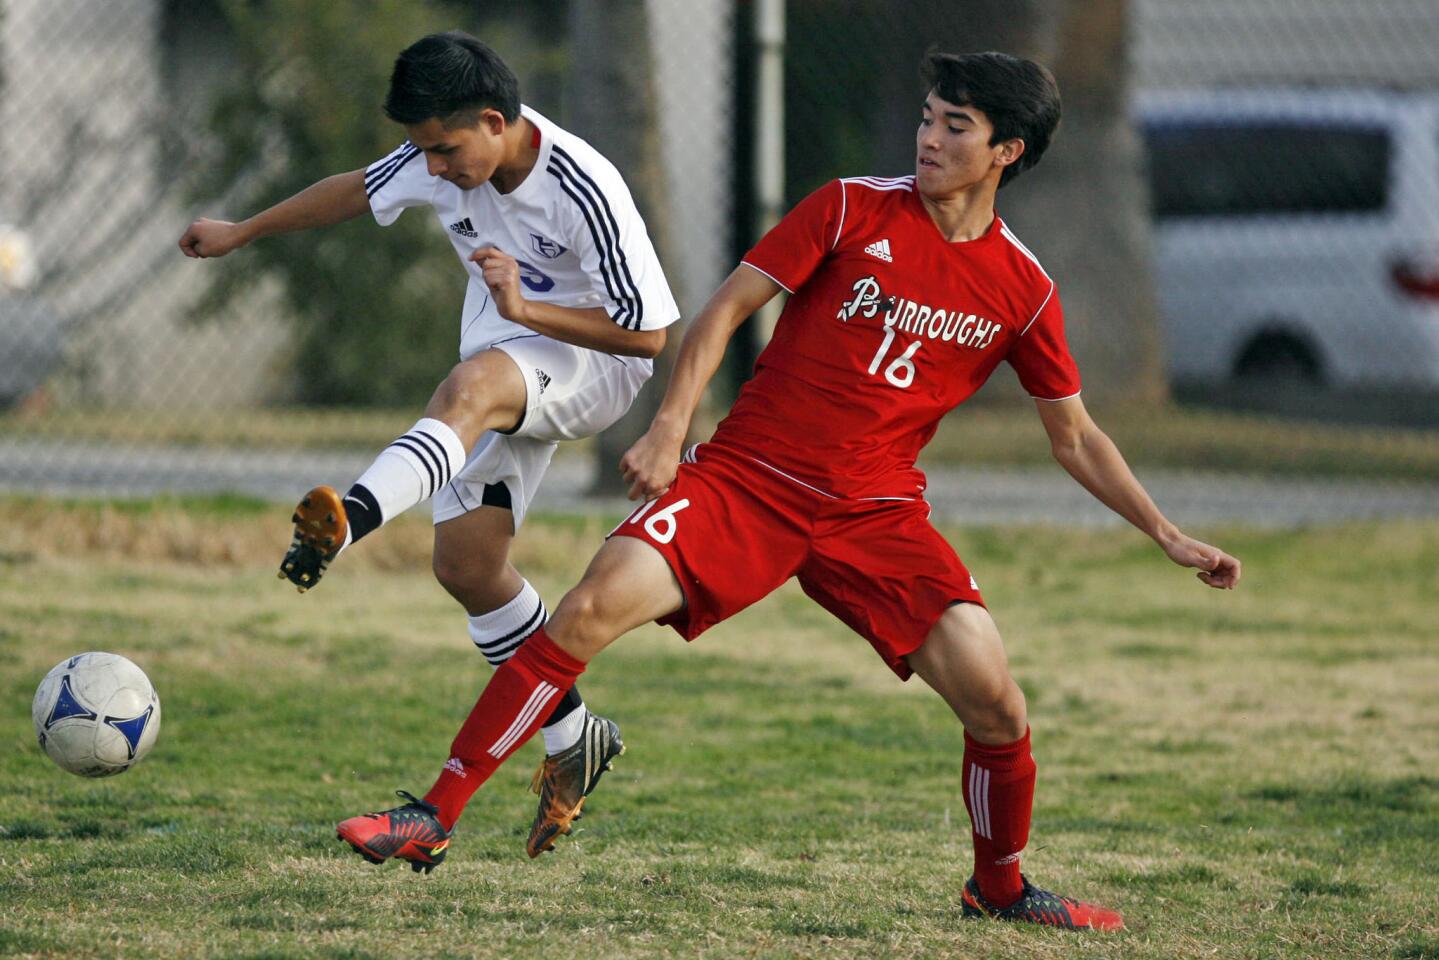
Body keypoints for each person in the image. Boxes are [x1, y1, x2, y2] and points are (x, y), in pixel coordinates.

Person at [333, 51, 1241, 931]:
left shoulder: (1024, 289)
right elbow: (724, 310)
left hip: (876, 513)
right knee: (587, 611)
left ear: (1006, 151)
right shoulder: (848, 209)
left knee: (998, 705)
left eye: (953, 126)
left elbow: (1074, 435)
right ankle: (433, 817)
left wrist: (1164, 533)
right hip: (747, 482)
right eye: (927, 118)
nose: (928, 139)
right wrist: (669, 427)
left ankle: (998, 889)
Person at [178, 31, 680, 858]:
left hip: (590, 362)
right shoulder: (439, 154)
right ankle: (575, 737)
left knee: (472, 388)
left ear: (494, 120)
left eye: (445, 151)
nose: (433, 169)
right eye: (424, 153)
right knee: (469, 568)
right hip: (507, 358)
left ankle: (354, 517)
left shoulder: (584, 185)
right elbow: (353, 191)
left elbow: (649, 336)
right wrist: (243, 231)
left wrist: (524, 315)